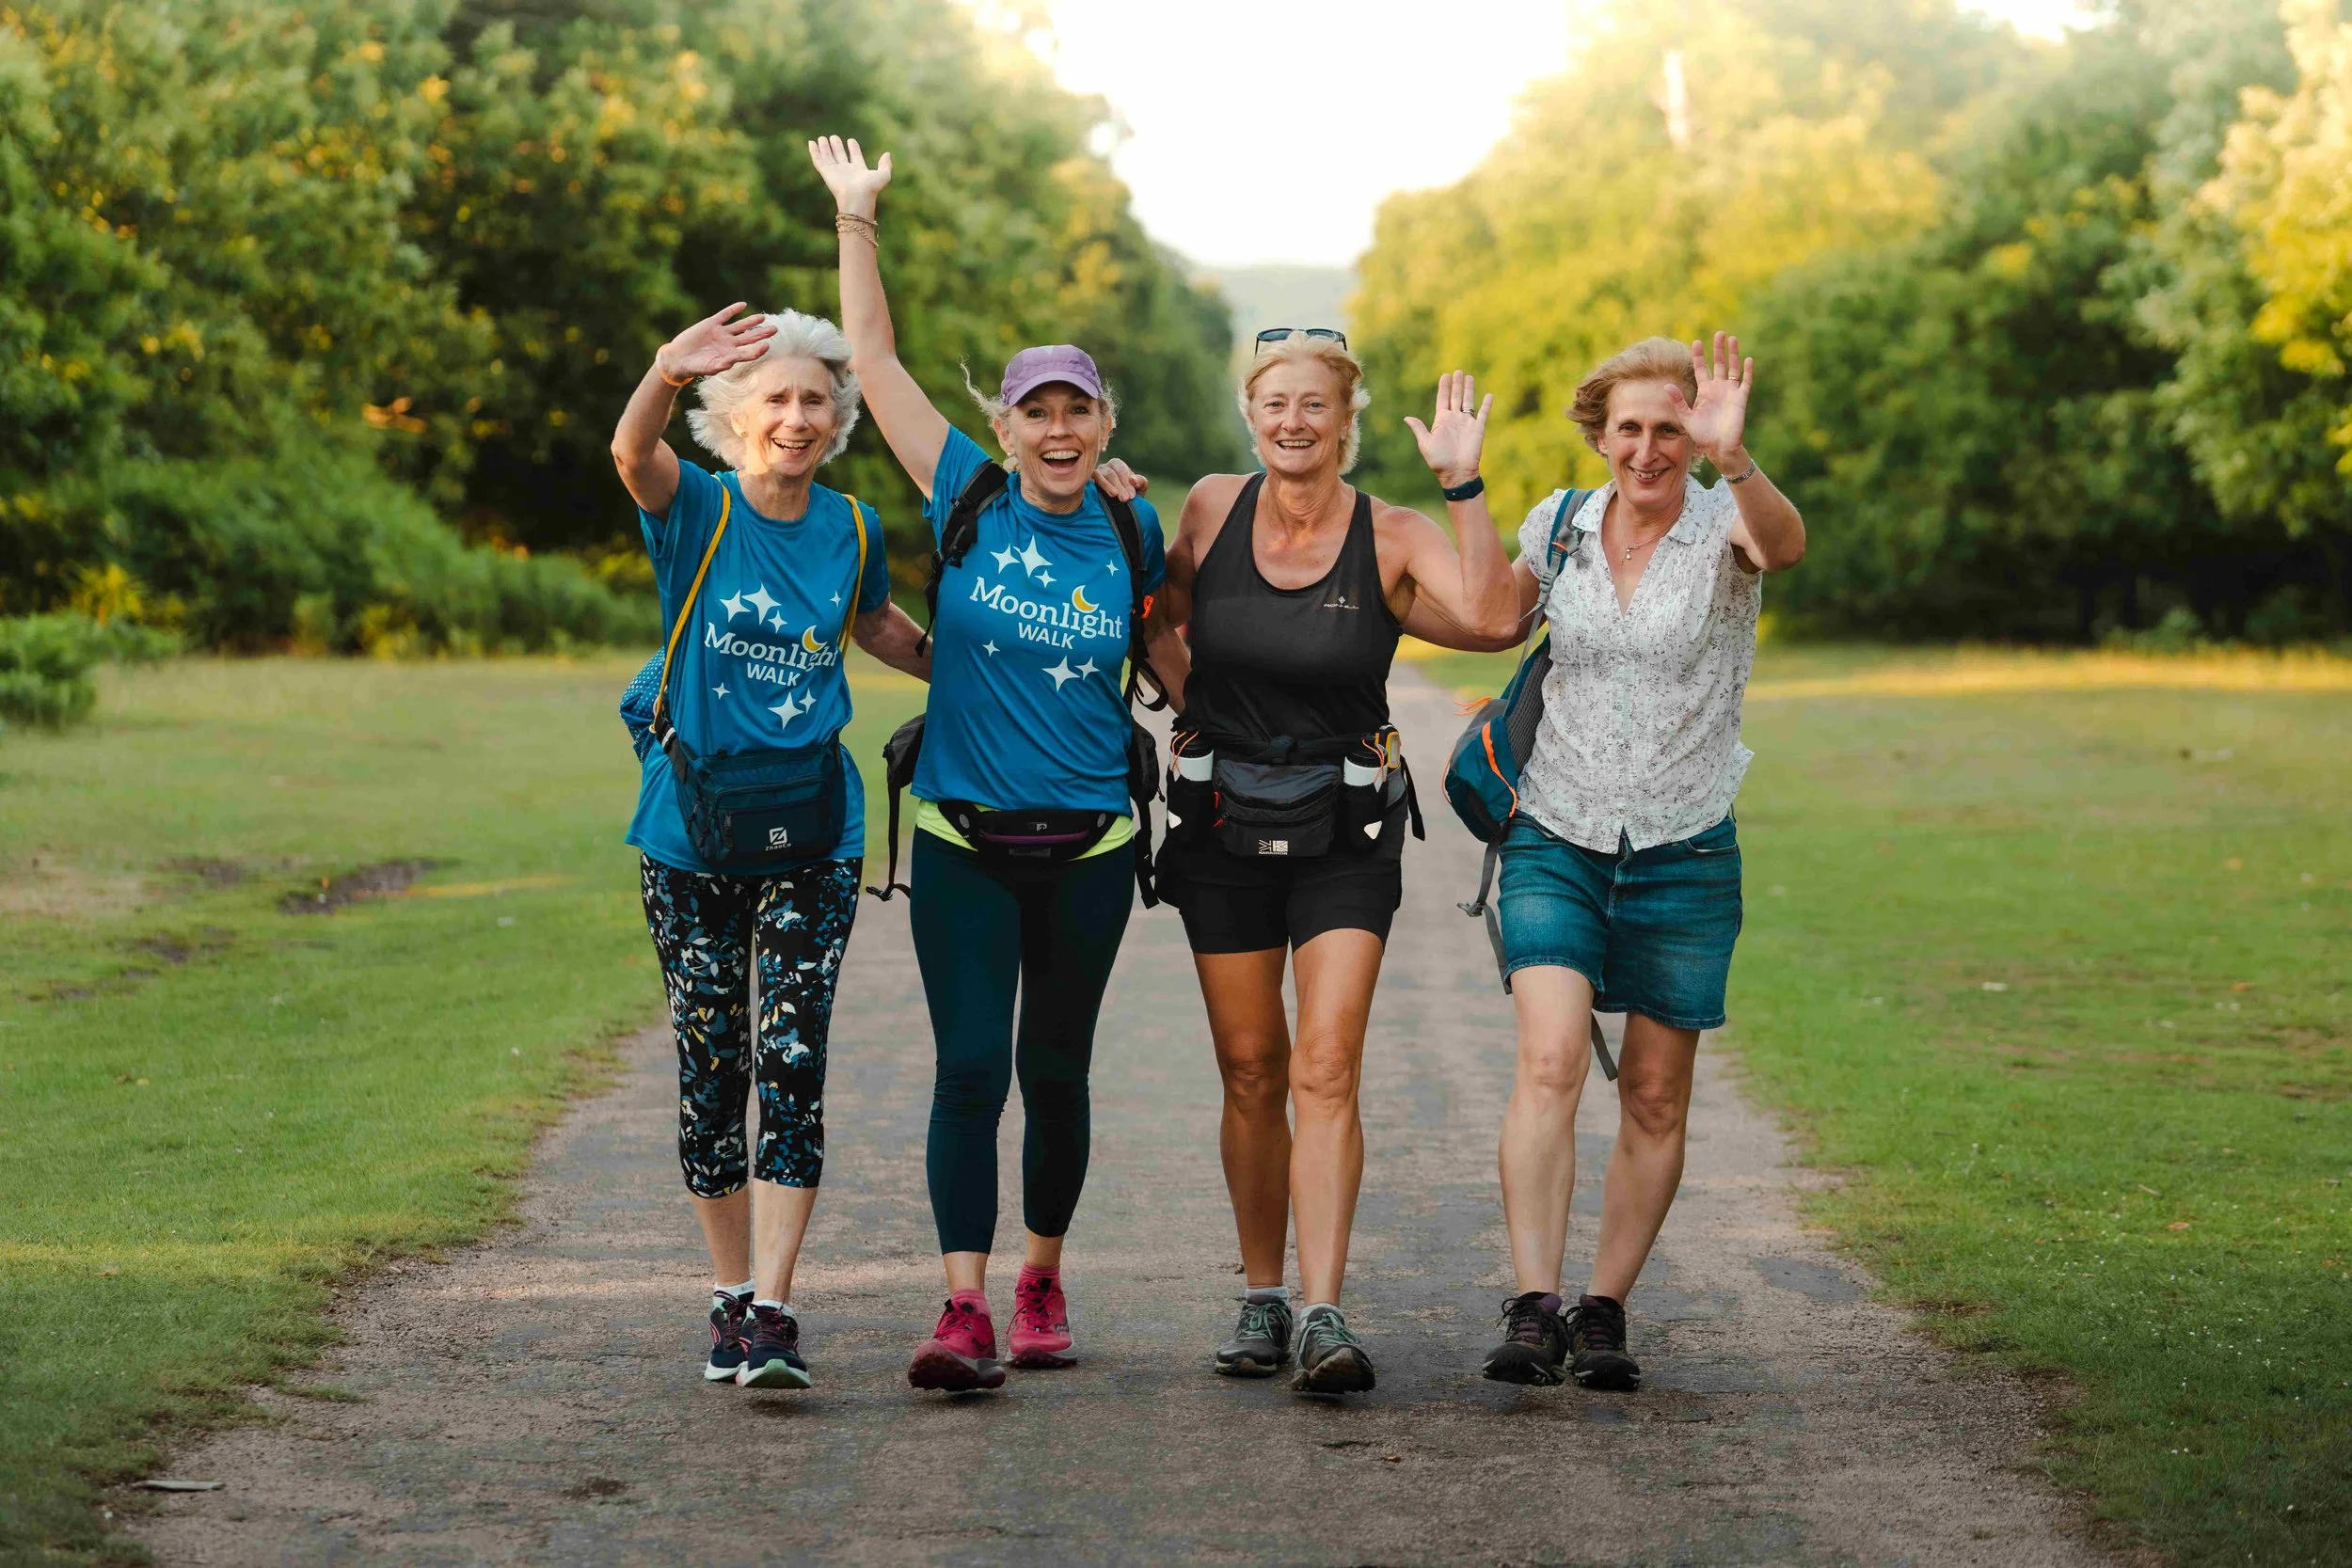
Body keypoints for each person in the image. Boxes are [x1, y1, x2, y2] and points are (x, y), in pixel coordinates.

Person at [809, 135, 1184, 1392]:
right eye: (1040, 409)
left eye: (1079, 409)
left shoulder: (1134, 524)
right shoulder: (966, 492)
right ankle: (962, 1302)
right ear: (1007, 426)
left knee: (1056, 1071)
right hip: (967, 835)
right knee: (971, 1065)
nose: (1060, 428)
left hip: (1090, 843)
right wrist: (857, 219)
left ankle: (1040, 1278)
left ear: (1104, 426)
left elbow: (1180, 650)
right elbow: (872, 359)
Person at [1153, 332, 1522, 1394]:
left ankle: (1322, 1308)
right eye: (1275, 401)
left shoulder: (1395, 533)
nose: (1293, 421)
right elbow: (1156, 614)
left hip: (1348, 830)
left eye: (1314, 403)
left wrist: (1463, 482)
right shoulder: (1212, 507)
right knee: (1250, 1063)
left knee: (1323, 1063)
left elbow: (1496, 616)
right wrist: (1192, 713)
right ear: (1250, 408)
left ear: (1345, 416)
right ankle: (1261, 1294)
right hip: (1221, 825)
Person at [1474, 333, 1804, 1390]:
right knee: (1550, 1057)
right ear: (1598, 431)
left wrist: (1737, 457)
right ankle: (1533, 1302)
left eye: (1671, 428)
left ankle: (1603, 1307)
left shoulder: (1725, 524)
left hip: (1684, 843)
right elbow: (1485, 615)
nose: (1650, 448)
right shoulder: (1560, 522)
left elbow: (1786, 548)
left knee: (1656, 1096)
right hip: (1556, 831)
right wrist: (1456, 490)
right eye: (1630, 427)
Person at [610, 303, 930, 1391]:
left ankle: (777, 1312)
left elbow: (879, 626)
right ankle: (729, 1292)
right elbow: (628, 451)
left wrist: (985, 666)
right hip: (690, 833)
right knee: (712, 1074)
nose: (797, 416)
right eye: (777, 398)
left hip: (814, 829)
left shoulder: (851, 527)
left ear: (837, 415)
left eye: (815, 399)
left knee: (792, 1063)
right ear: (737, 415)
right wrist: (663, 369)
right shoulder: (695, 509)